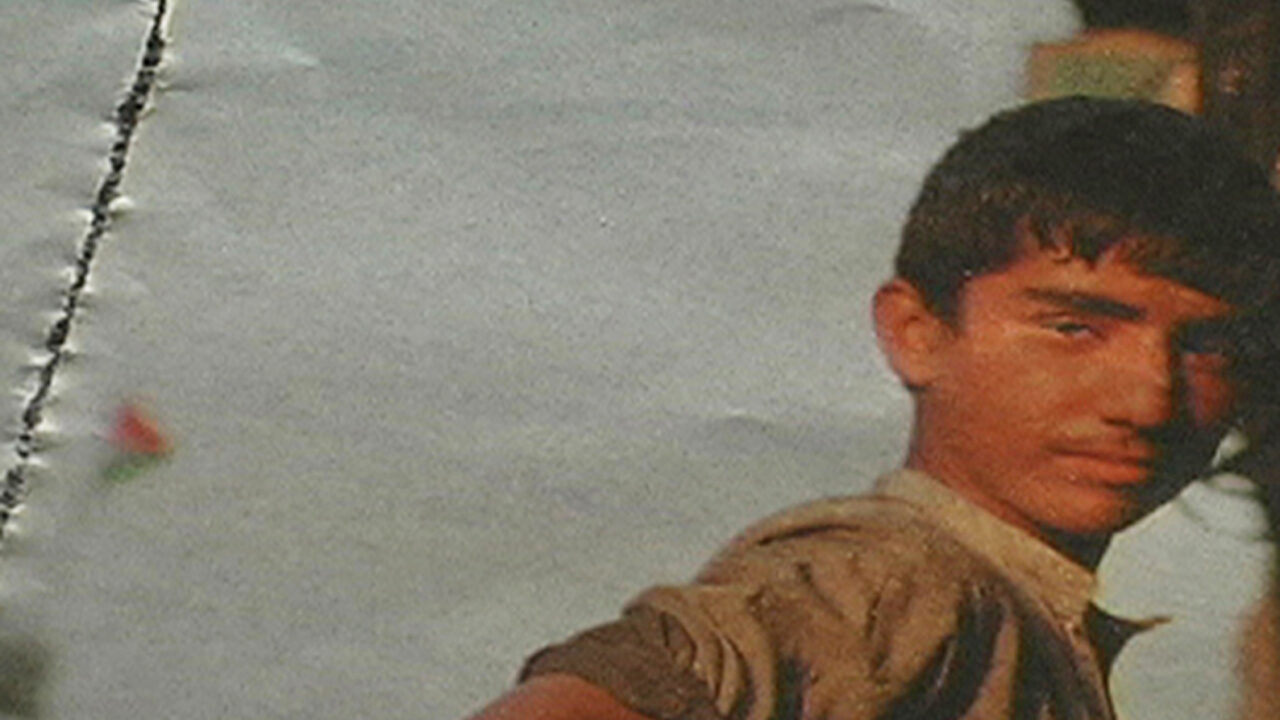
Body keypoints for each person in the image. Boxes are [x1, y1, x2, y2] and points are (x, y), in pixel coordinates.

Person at [466, 97, 1280, 720]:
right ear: (917, 333)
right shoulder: (900, 580)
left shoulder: (1010, 609)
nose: (1148, 400)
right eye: (1073, 328)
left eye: (1210, 346)